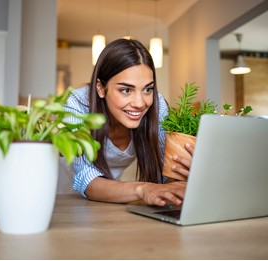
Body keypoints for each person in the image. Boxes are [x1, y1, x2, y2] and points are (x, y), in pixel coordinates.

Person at [64, 38, 193, 206]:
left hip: (111, 192)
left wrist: (182, 176)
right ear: (100, 88)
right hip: (65, 192)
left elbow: (165, 175)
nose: (140, 103)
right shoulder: (78, 104)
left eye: (147, 89)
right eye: (126, 90)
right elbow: (85, 178)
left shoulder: (157, 105)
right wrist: (143, 189)